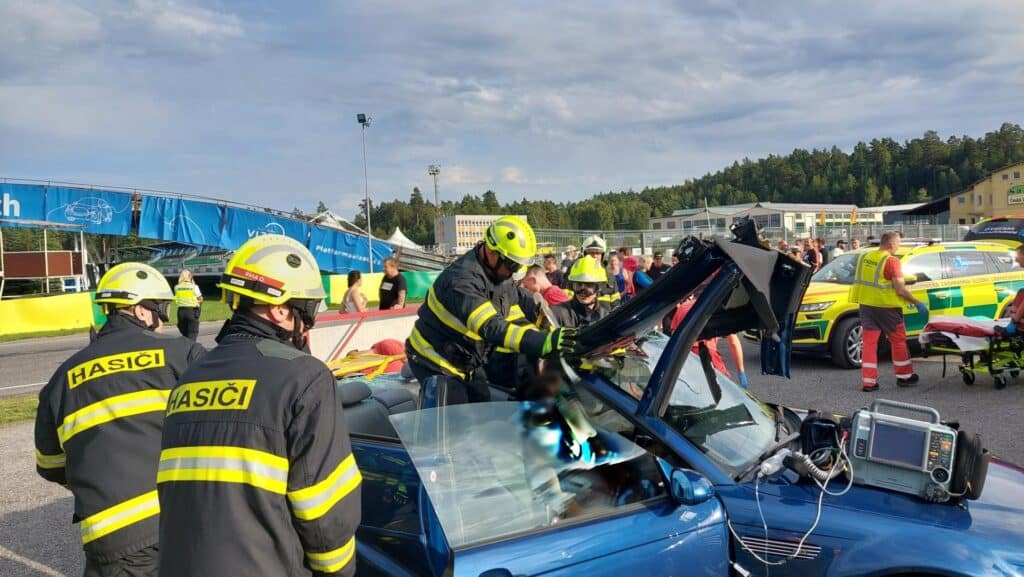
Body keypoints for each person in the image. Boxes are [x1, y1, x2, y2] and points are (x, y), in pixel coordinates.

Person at [157, 234, 361, 577]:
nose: (309, 324)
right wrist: (338, 572)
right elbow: (326, 511)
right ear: (281, 308)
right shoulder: (305, 377)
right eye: (307, 311)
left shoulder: (189, 378)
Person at [35, 262, 205, 577]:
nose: (162, 321)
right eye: (160, 311)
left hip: (108, 538)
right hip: (179, 518)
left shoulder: (61, 378)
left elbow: (49, 464)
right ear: (139, 311)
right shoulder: (182, 354)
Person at [405, 216, 576, 404]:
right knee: (454, 419)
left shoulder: (500, 274)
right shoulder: (461, 281)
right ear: (492, 252)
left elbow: (513, 311)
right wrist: (541, 342)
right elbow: (490, 326)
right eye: (512, 264)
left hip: (466, 358)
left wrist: (543, 328)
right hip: (434, 358)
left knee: (482, 402)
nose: (515, 270)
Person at [850, 231, 927, 392]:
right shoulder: (892, 262)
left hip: (866, 305)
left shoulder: (865, 257)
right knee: (898, 341)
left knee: (869, 344)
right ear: (891, 244)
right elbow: (900, 289)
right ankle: (904, 376)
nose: (898, 247)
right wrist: (917, 302)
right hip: (887, 308)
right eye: (898, 244)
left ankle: (868, 382)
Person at [550, 257, 612, 329]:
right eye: (578, 285)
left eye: (589, 285)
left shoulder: (605, 316)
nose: (583, 292)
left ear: (599, 287)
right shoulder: (557, 313)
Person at [174, 269, 203, 340]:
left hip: (181, 312)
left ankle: (185, 348)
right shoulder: (194, 287)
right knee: (192, 334)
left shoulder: (177, 287)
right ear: (190, 276)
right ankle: (191, 349)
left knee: (184, 334)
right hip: (191, 311)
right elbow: (200, 299)